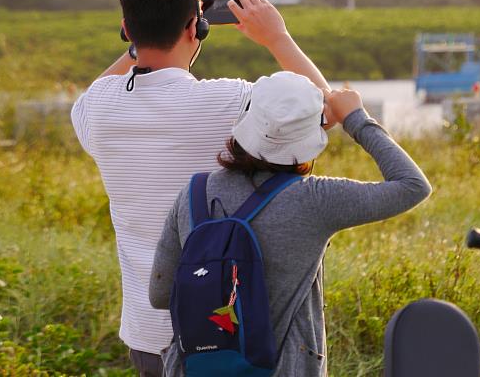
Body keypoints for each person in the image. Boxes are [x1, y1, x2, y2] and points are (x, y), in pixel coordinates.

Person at [70, 0, 332, 376]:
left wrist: (140, 41)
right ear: (197, 27)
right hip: (226, 333)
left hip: (147, 334)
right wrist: (276, 37)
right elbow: (326, 110)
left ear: (126, 28)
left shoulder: (97, 107)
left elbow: (95, 92)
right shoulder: (229, 101)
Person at [149, 71, 432, 376]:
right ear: (312, 137)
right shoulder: (315, 200)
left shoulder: (194, 193)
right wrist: (355, 119)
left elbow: (161, 294)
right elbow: (413, 185)